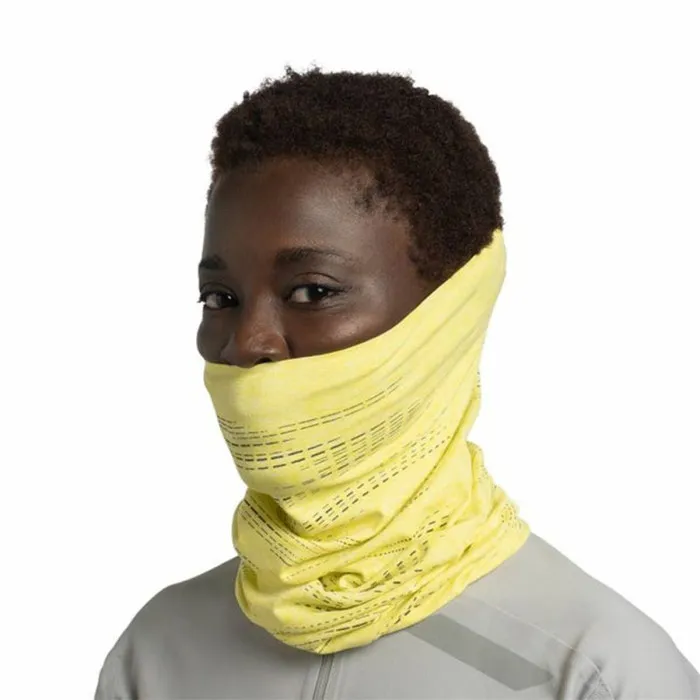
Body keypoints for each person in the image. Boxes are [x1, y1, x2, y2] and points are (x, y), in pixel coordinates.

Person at [94, 67, 699, 699]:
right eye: (220, 297)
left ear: (450, 311)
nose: (247, 343)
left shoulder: (590, 669)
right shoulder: (158, 651)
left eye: (312, 291)